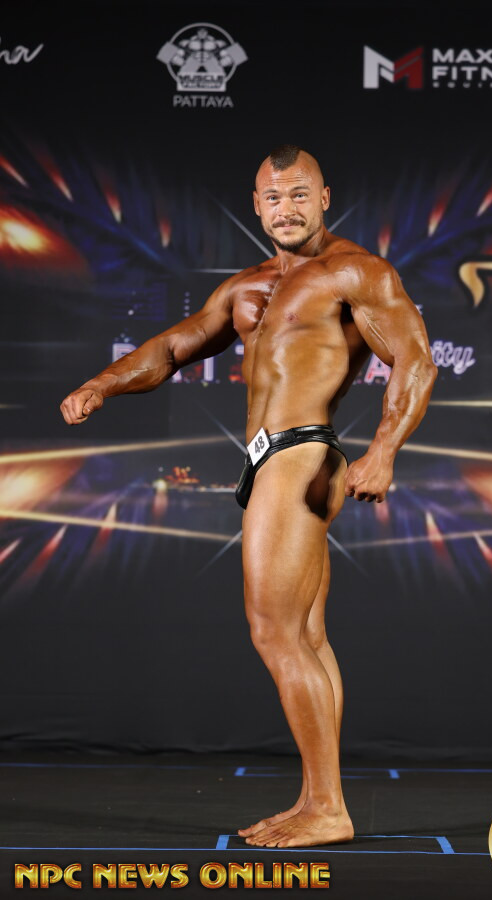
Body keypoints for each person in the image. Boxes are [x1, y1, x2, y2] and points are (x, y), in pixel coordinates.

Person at [60, 145, 437, 848]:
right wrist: (101, 384)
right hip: (268, 459)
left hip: (300, 452)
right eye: (273, 197)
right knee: (308, 638)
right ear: (256, 205)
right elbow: (174, 347)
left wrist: (385, 449)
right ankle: (319, 799)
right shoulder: (246, 286)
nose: (286, 209)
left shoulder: (355, 271)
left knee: (274, 633)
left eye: (299, 195)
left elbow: (415, 358)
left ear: (325, 197)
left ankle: (327, 808)